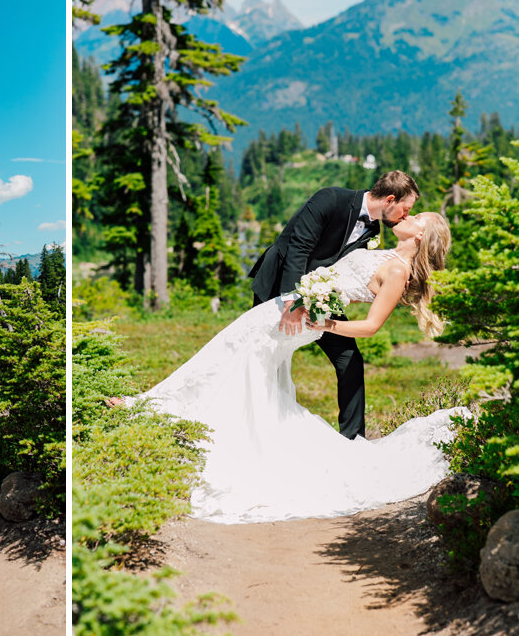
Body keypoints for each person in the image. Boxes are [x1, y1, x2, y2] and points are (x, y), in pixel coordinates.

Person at [119, 211, 466, 524]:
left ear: (420, 235)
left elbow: (371, 326)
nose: (409, 214)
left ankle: (156, 410)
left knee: (235, 350)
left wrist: (325, 324)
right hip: (294, 307)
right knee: (240, 358)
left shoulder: (397, 271)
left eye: (418, 216)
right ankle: (180, 418)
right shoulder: (384, 254)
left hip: (305, 320)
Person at [249, 170, 419, 439]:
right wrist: (292, 302)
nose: (406, 216)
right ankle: (256, 422)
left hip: (320, 295)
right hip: (280, 285)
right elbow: (298, 249)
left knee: (349, 358)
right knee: (264, 355)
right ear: (390, 200)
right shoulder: (330, 199)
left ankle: (353, 438)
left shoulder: (374, 229)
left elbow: (350, 267)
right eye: (405, 209)